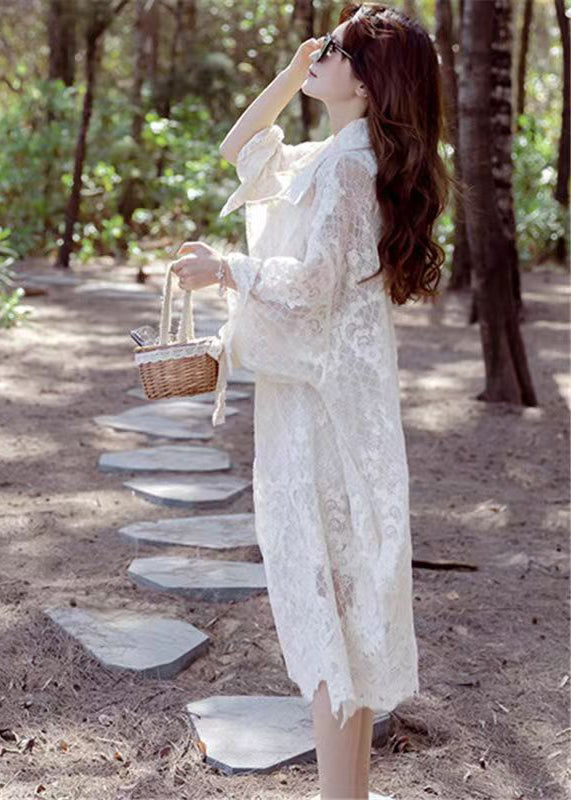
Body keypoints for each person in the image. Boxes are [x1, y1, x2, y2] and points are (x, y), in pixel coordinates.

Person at [171, 4, 454, 798]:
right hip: (328, 406)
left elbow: (314, 287)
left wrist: (227, 270)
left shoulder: (347, 168)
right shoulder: (335, 156)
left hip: (325, 418)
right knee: (341, 613)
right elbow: (241, 149)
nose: (318, 53)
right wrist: (291, 72)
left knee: (329, 609)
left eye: (335, 50)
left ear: (365, 83)